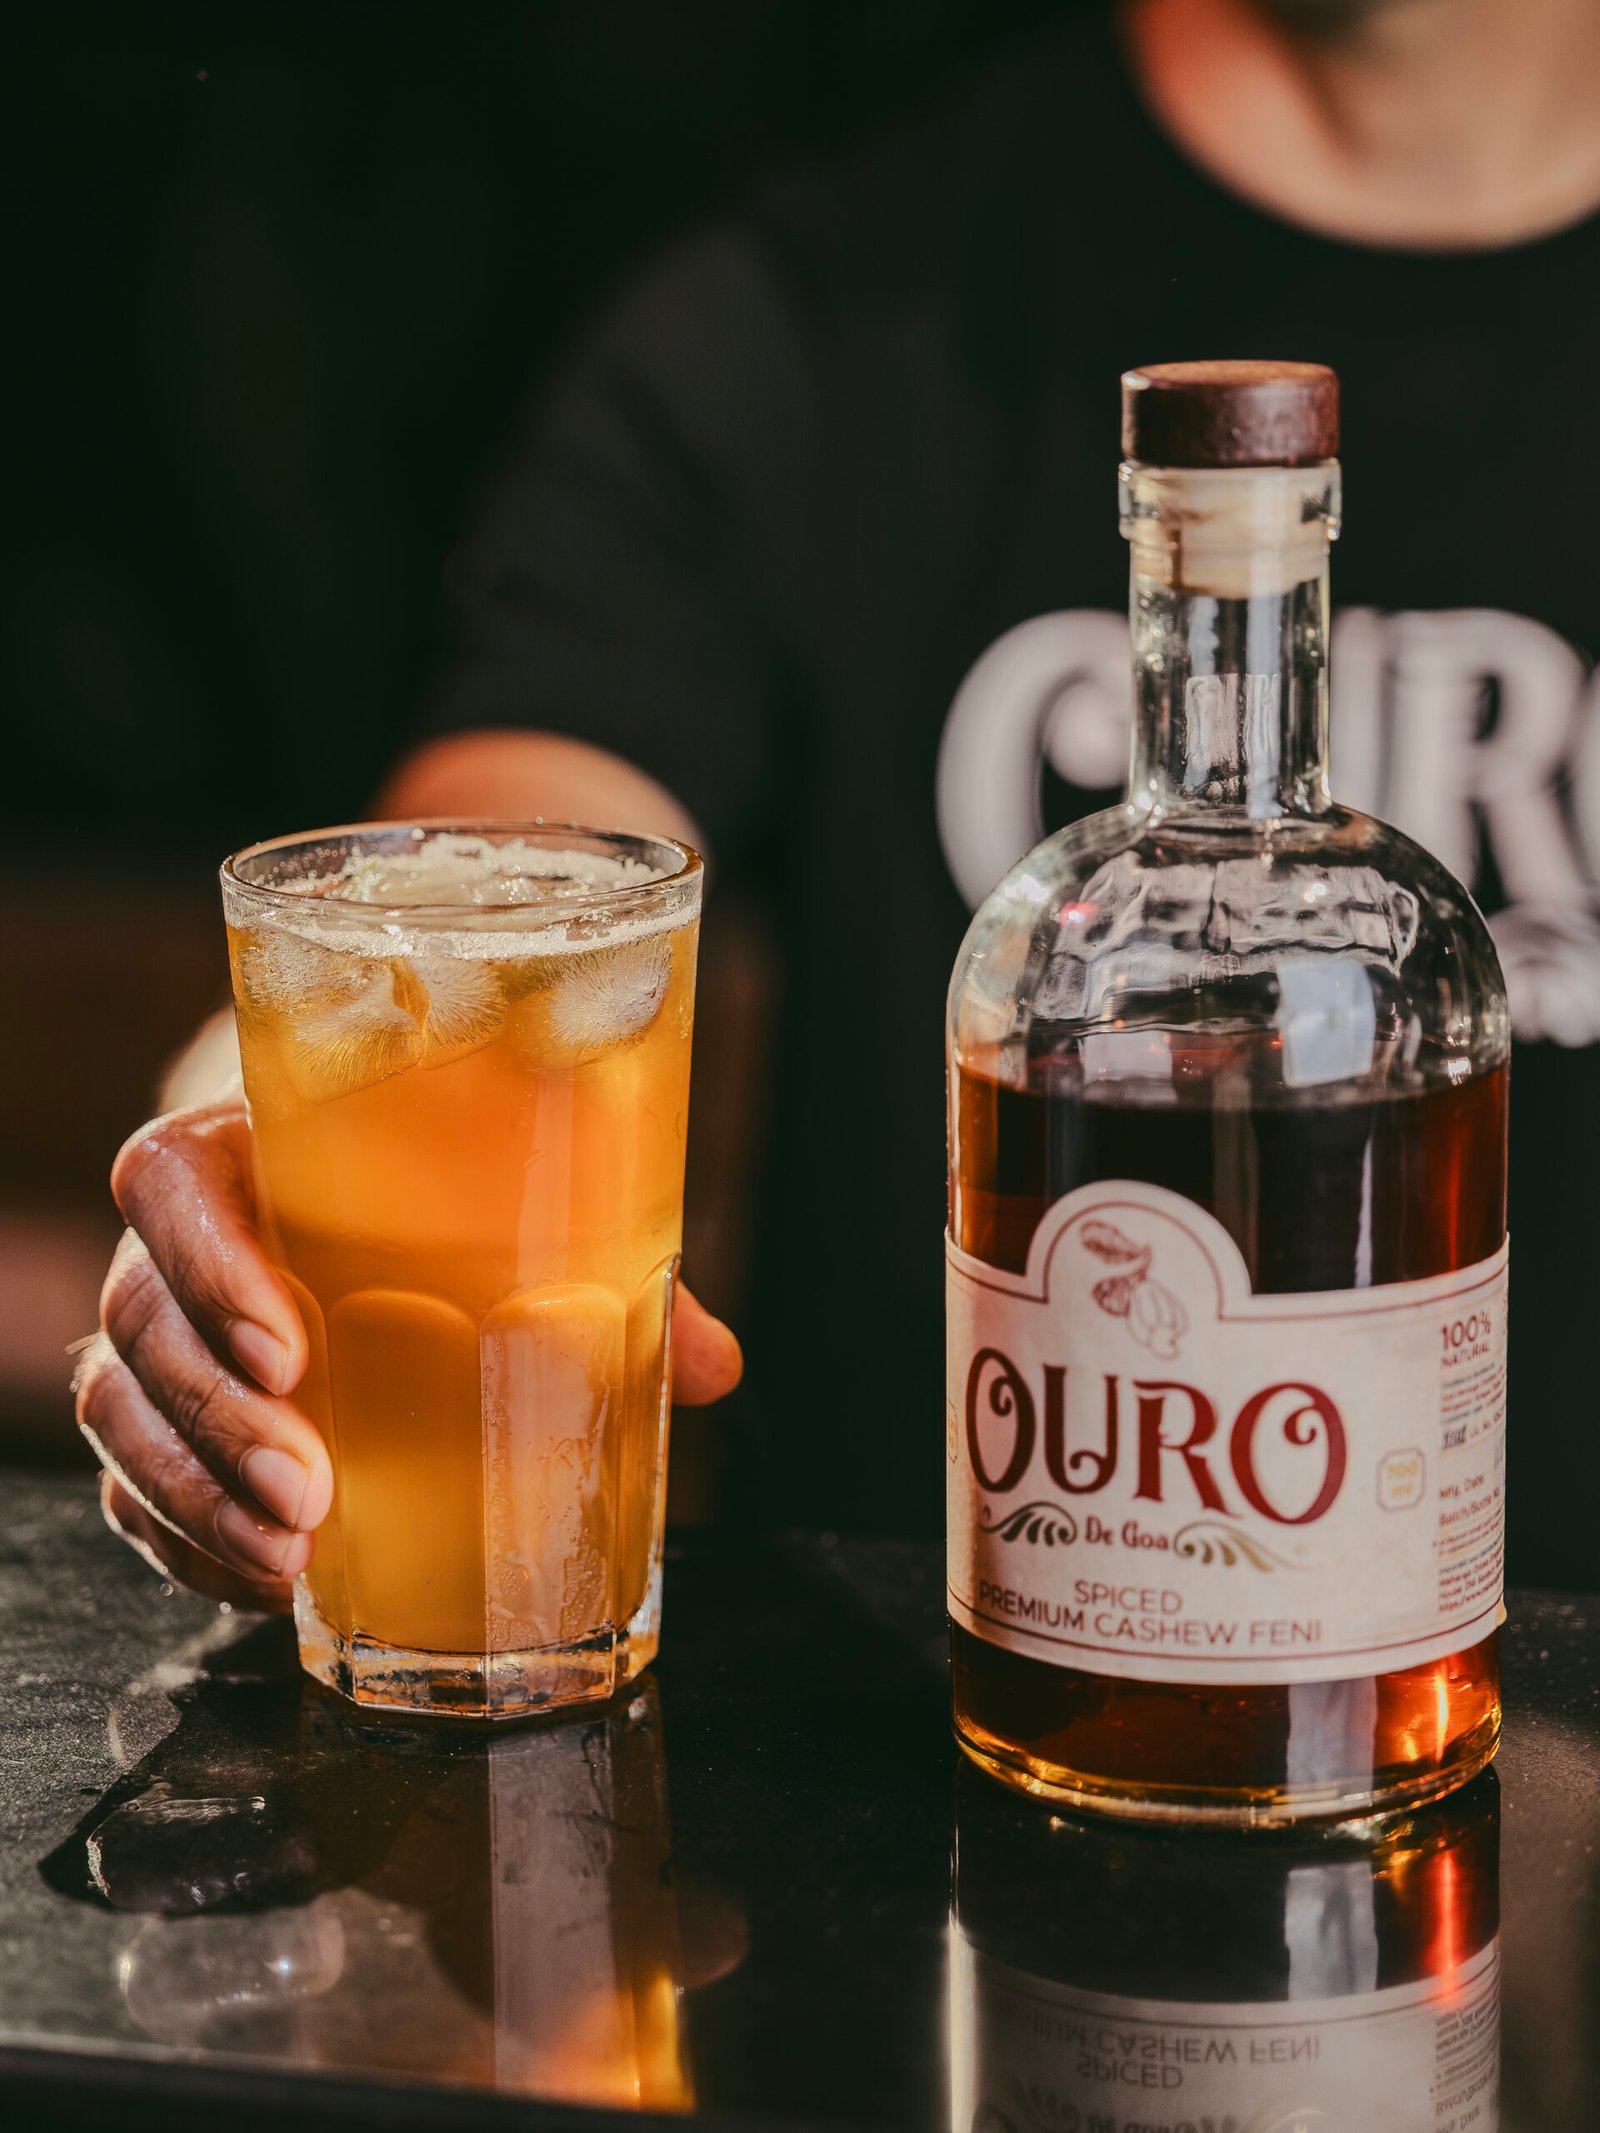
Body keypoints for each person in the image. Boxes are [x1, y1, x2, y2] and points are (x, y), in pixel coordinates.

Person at [78, 0, 1600, 1609]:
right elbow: (488, 877)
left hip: (1440, 1703)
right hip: (920, 1716)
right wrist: (243, 1197)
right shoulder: (805, 325)